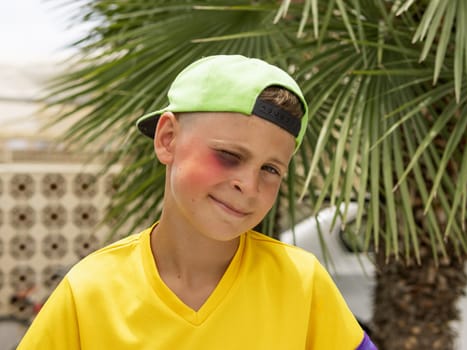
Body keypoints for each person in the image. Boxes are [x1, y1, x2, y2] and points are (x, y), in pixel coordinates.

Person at [17, 55, 377, 349]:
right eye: (228, 155)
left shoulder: (302, 282)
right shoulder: (88, 291)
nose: (248, 186)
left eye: (270, 168)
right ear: (168, 138)